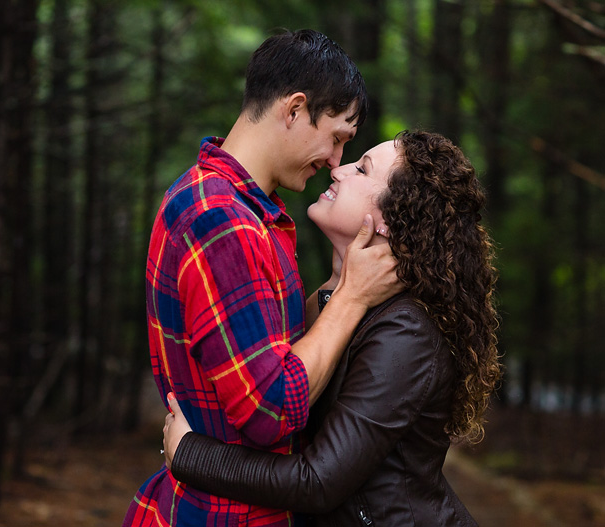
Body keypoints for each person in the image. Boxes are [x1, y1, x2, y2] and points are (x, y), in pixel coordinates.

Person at [123, 30, 402, 527]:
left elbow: (273, 349)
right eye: (337, 138)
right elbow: (270, 409)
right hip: (223, 515)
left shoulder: (228, 204)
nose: (335, 162)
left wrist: (343, 282)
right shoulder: (222, 221)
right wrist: (353, 298)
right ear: (294, 110)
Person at [163, 131, 502, 527]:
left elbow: (319, 481)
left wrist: (190, 454)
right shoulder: (340, 304)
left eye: (361, 169)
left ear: (390, 221)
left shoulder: (406, 332)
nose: (338, 170)